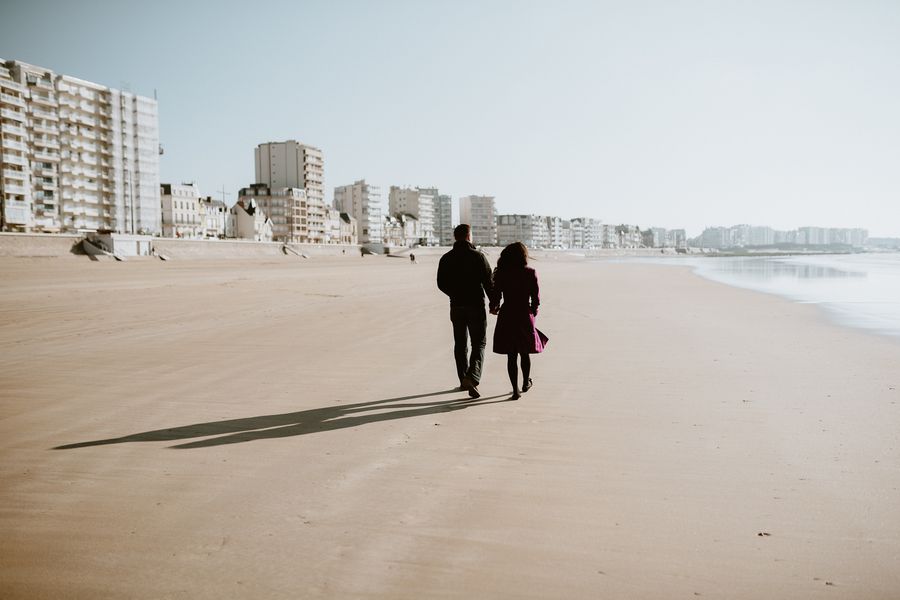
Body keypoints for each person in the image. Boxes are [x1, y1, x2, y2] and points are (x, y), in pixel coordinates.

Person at [437, 224, 493, 398]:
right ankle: (472, 377)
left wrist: (454, 294)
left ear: (455, 237)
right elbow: (488, 282)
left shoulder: (446, 258)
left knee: (460, 344)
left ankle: (463, 379)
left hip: (456, 306)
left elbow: (441, 283)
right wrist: (494, 303)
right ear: (469, 236)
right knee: (479, 343)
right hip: (475, 305)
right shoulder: (478, 257)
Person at [489, 242, 546, 400]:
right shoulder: (530, 272)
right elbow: (536, 299)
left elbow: (496, 296)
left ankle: (515, 390)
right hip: (524, 314)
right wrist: (532, 314)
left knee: (511, 355)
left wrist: (493, 307)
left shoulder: (501, 273)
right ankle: (525, 383)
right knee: (524, 352)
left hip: (507, 314)